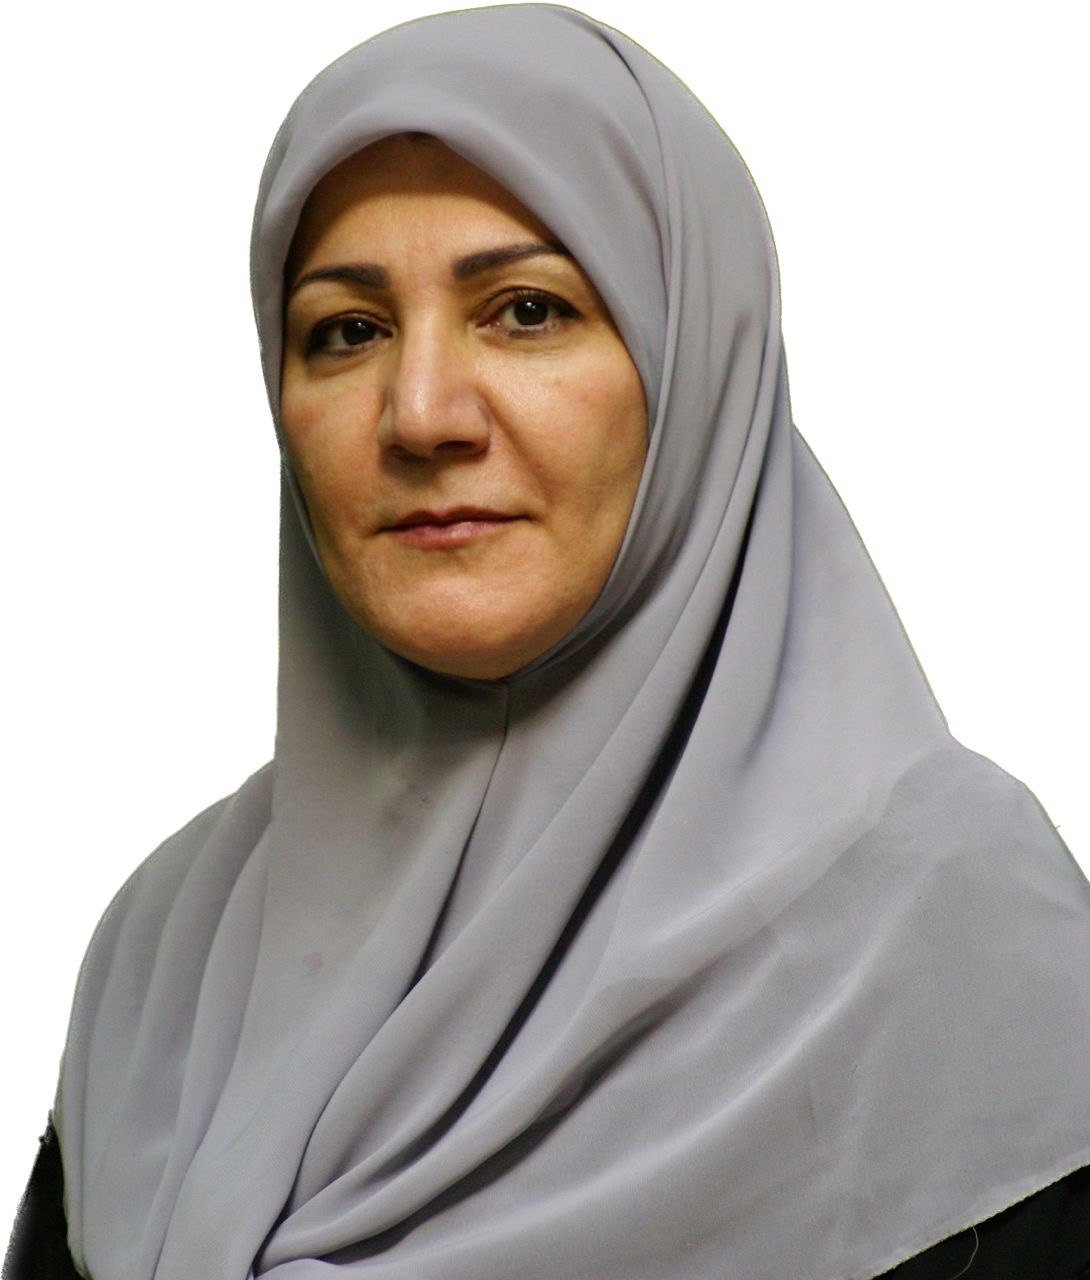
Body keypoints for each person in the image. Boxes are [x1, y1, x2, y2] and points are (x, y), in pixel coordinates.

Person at [5, 6, 1090, 1277]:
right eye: (346, 330)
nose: (421, 414)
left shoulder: (952, 940)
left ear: (698, 368)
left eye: (525, 310)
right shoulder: (166, 957)